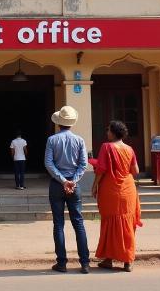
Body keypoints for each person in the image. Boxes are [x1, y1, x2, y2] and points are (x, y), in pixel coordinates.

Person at [44, 105, 90, 274]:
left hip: (57, 185)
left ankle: (62, 262)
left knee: (58, 224)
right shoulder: (79, 140)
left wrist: (63, 181)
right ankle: (85, 263)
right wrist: (72, 181)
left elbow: (48, 163)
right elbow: (83, 164)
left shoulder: (52, 140)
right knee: (78, 223)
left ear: (58, 123)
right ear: (72, 123)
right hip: (74, 185)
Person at [91, 120, 142, 272]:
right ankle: (128, 261)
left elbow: (101, 170)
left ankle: (108, 259)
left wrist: (94, 186)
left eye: (108, 130)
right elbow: (136, 171)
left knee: (109, 223)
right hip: (128, 189)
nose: (107, 133)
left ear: (113, 132)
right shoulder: (130, 149)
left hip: (110, 189)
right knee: (127, 224)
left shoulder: (106, 147)